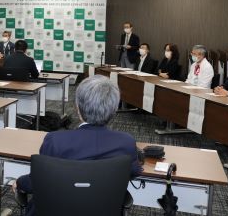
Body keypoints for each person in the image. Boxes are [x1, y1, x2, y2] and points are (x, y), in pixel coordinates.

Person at [13, 75, 142, 215]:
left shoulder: (54, 140)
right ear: (114, 110)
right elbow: (134, 171)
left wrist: (19, 182)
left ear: (78, 109)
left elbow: (37, 181)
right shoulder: (126, 142)